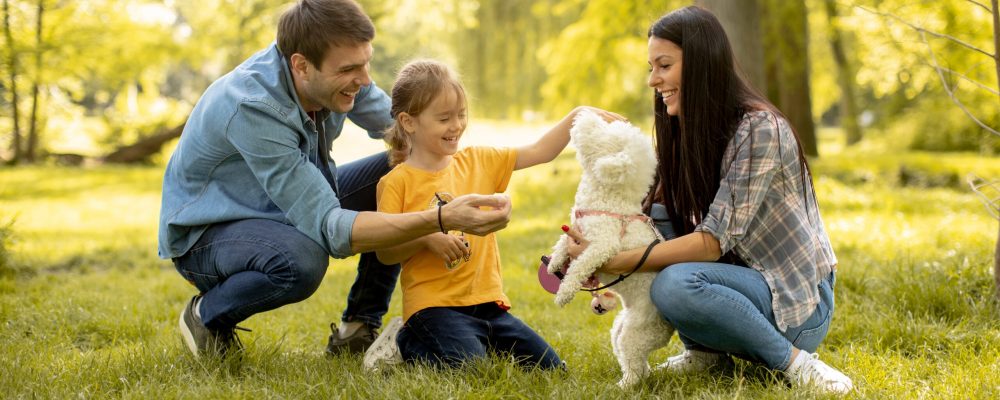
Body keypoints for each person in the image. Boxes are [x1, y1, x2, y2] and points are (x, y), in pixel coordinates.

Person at [159, 0, 511, 359]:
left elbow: (402, 129)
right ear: (301, 66)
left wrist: (445, 164)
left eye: (366, 62)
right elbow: (329, 226)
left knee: (402, 172)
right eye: (349, 69)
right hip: (210, 233)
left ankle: (358, 327)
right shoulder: (253, 106)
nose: (365, 79)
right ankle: (207, 314)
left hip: (281, 205)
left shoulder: (335, 79)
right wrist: (438, 219)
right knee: (301, 261)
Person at [561, 6, 853, 394]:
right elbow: (648, 228)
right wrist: (607, 263)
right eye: (651, 67)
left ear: (700, 62)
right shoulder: (685, 131)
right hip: (736, 284)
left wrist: (619, 260)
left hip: (797, 305)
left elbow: (712, 243)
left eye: (664, 65)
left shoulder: (761, 129)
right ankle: (705, 352)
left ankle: (796, 363)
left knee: (675, 284)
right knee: (655, 218)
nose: (653, 80)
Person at [361, 59, 624, 370]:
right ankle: (405, 341)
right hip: (433, 308)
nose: (456, 125)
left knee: (552, 369)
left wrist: (577, 116)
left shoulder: (478, 161)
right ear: (408, 122)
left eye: (460, 115)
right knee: (473, 368)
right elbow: (386, 253)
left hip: (489, 307)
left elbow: (540, 151)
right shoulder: (395, 183)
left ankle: (469, 341)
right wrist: (427, 237)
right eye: (444, 118)